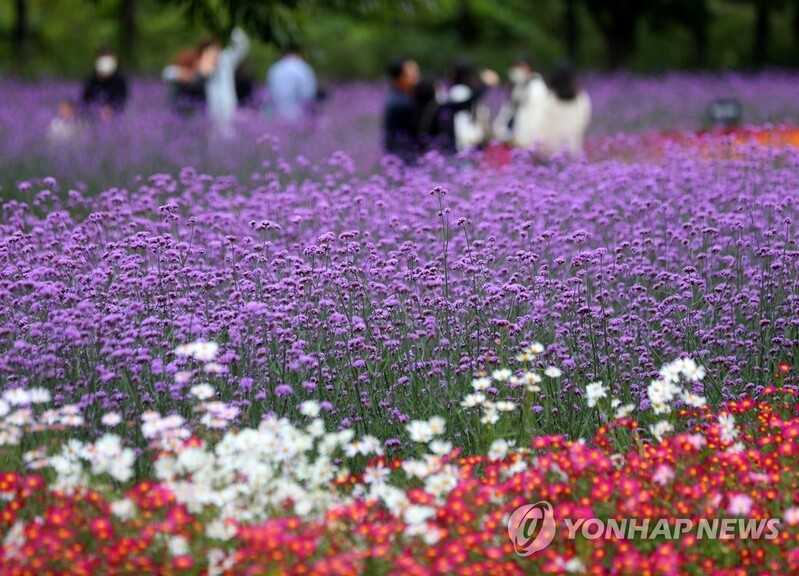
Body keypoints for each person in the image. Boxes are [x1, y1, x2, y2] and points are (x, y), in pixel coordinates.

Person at [197, 27, 250, 136]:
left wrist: (230, 28)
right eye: (209, 49)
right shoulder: (201, 66)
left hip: (228, 107)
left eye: (216, 48)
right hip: (209, 111)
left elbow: (242, 46)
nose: (214, 52)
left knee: (228, 134)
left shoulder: (226, 60)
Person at [537, 61, 592, 157]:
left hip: (550, 151)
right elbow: (585, 121)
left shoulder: (549, 99)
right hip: (574, 149)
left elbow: (542, 125)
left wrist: (539, 149)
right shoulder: (582, 98)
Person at [492, 57, 548, 149]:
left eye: (521, 67)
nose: (518, 70)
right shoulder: (519, 86)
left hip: (529, 139)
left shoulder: (537, 87)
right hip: (515, 138)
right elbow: (509, 110)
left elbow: (537, 116)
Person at [446, 60, 496, 152]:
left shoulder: (459, 90)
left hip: (463, 138)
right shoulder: (470, 90)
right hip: (470, 138)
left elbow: (460, 121)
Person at [265, 43, 318, 121]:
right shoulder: (304, 68)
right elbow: (309, 93)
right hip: (300, 114)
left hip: (278, 113)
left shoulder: (275, 68)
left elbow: (270, 92)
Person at [383, 58, 420, 159]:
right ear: (399, 78)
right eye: (411, 75)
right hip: (402, 161)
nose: (416, 79)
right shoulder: (401, 103)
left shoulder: (401, 97)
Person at [82, 47, 128, 119]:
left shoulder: (120, 80)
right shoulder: (91, 80)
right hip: (93, 116)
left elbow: (122, 100)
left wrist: (111, 109)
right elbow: (85, 100)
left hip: (114, 116)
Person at [414, 77, 455, 154]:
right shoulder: (437, 109)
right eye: (437, 88)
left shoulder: (412, 106)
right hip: (436, 151)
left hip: (418, 151)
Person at [162, 47, 206, 116]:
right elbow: (168, 72)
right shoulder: (179, 76)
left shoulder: (191, 76)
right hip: (181, 111)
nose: (198, 64)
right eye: (196, 62)